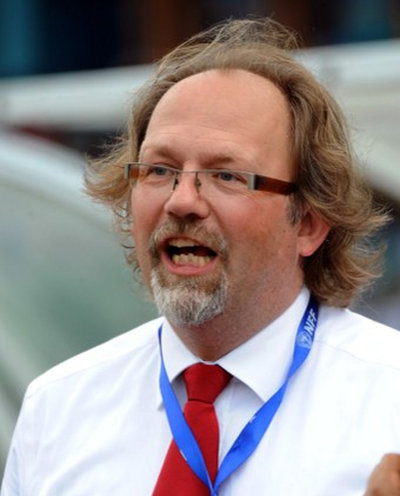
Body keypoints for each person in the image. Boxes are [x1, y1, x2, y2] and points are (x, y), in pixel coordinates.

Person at [2, 17, 400, 496]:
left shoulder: (387, 403)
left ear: (309, 223)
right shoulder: (58, 408)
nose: (181, 200)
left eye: (227, 175)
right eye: (159, 169)